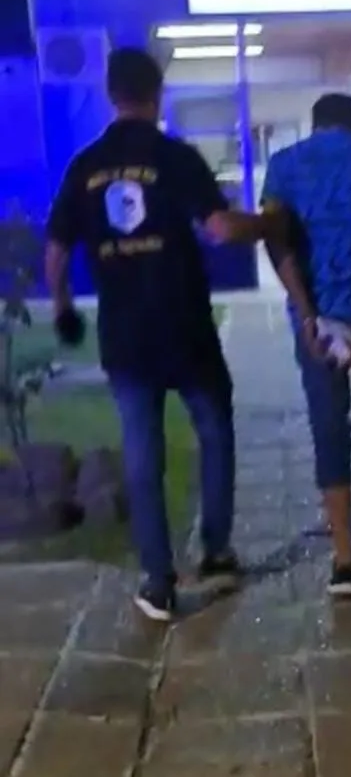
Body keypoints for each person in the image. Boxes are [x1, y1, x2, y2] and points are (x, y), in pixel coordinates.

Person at [45, 47, 273, 622]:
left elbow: (56, 250)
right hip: (184, 327)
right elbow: (220, 229)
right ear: (157, 94)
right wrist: (269, 223)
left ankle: (158, 581)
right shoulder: (175, 158)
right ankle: (215, 552)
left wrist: (64, 308)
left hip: (125, 338)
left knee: (142, 453)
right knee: (214, 432)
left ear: (111, 95)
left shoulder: (84, 166)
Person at [261, 92, 351, 599]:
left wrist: (307, 314)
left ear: (316, 125)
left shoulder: (284, 166)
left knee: (328, 426)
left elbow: (276, 243)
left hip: (316, 321)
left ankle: (344, 559)